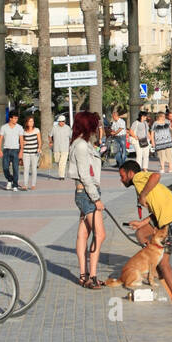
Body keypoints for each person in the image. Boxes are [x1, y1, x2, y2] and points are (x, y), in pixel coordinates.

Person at [117, 161, 172, 311]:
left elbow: (156, 175)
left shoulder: (138, 178)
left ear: (130, 173)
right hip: (169, 216)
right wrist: (141, 223)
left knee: (164, 262)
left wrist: (143, 195)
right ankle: (154, 270)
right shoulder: (141, 181)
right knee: (141, 233)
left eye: (122, 175)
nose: (121, 179)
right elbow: (156, 209)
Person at [68, 111, 106, 289]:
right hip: (87, 193)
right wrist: (96, 198)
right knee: (100, 234)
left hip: (85, 192)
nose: (96, 127)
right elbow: (85, 175)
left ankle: (83, 275)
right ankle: (92, 275)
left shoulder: (82, 144)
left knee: (83, 234)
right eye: (94, 124)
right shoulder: (81, 146)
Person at [0, 110, 24, 192]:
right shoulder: (4, 127)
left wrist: (21, 151)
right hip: (6, 150)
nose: (16, 120)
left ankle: (15, 185)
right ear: (10, 118)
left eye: (17, 118)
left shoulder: (19, 127)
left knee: (15, 169)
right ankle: (10, 179)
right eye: (15, 118)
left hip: (16, 150)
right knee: (5, 168)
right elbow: (0, 139)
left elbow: (21, 140)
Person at [21, 114, 42, 190]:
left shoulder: (36, 130)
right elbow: (21, 141)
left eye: (32, 121)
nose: (31, 123)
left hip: (34, 152)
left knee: (34, 169)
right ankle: (25, 185)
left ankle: (33, 184)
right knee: (26, 169)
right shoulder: (23, 131)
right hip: (25, 152)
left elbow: (39, 140)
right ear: (27, 122)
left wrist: (39, 148)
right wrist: (22, 142)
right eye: (30, 121)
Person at [51, 114, 71, 181]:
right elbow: (50, 135)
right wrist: (50, 142)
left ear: (64, 121)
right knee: (57, 161)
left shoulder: (68, 128)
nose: (61, 122)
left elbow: (71, 137)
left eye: (62, 121)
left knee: (63, 162)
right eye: (60, 121)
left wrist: (70, 144)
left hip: (65, 148)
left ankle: (61, 176)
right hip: (56, 148)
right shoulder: (54, 128)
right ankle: (61, 172)